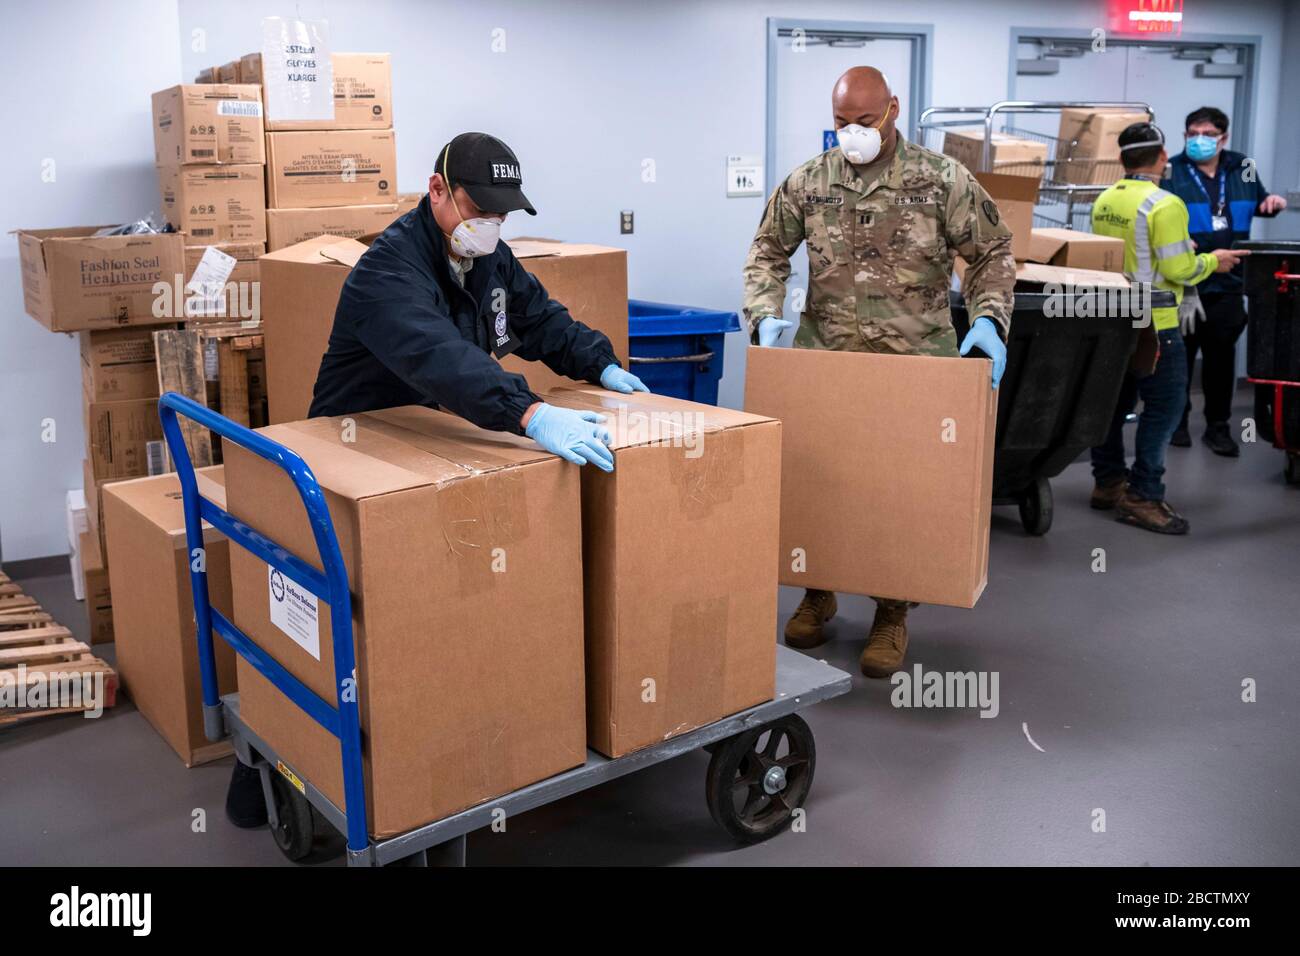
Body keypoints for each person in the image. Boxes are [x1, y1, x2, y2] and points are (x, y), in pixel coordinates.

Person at [225, 132, 648, 830]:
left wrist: (598, 363)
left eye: (502, 215)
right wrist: (531, 412)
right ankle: (271, 758)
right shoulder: (387, 273)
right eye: (478, 210)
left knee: (426, 617)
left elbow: (539, 320)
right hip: (353, 449)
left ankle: (445, 727)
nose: (490, 226)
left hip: (424, 449)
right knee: (333, 627)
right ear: (438, 191)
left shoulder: (487, 258)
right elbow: (442, 360)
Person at [742, 66, 1014, 678]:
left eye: (863, 122)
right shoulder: (809, 181)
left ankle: (892, 610)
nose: (852, 134)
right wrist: (764, 314)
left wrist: (990, 320)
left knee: (901, 487)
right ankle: (819, 589)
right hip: (828, 360)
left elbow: (993, 251)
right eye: (841, 123)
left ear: (892, 109)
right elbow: (766, 250)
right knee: (824, 479)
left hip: (916, 365)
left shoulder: (941, 180)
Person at [1088, 122, 1250, 535]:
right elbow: (1179, 268)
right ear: (1162, 157)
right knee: (1164, 409)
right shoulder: (1166, 203)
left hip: (1112, 317)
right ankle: (1143, 494)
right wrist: (1216, 261)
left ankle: (1108, 482)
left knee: (1111, 404)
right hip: (1154, 324)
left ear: (1122, 159)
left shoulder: (1105, 199)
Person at [1161, 106, 1287, 455]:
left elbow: (1258, 202)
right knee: (1180, 358)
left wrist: (1271, 203)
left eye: (1207, 134)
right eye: (1192, 134)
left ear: (1223, 137)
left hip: (1230, 279)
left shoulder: (1242, 166)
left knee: (1220, 359)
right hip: (1188, 279)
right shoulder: (1172, 170)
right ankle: (1178, 424)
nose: (1198, 140)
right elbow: (1161, 215)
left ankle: (1218, 427)